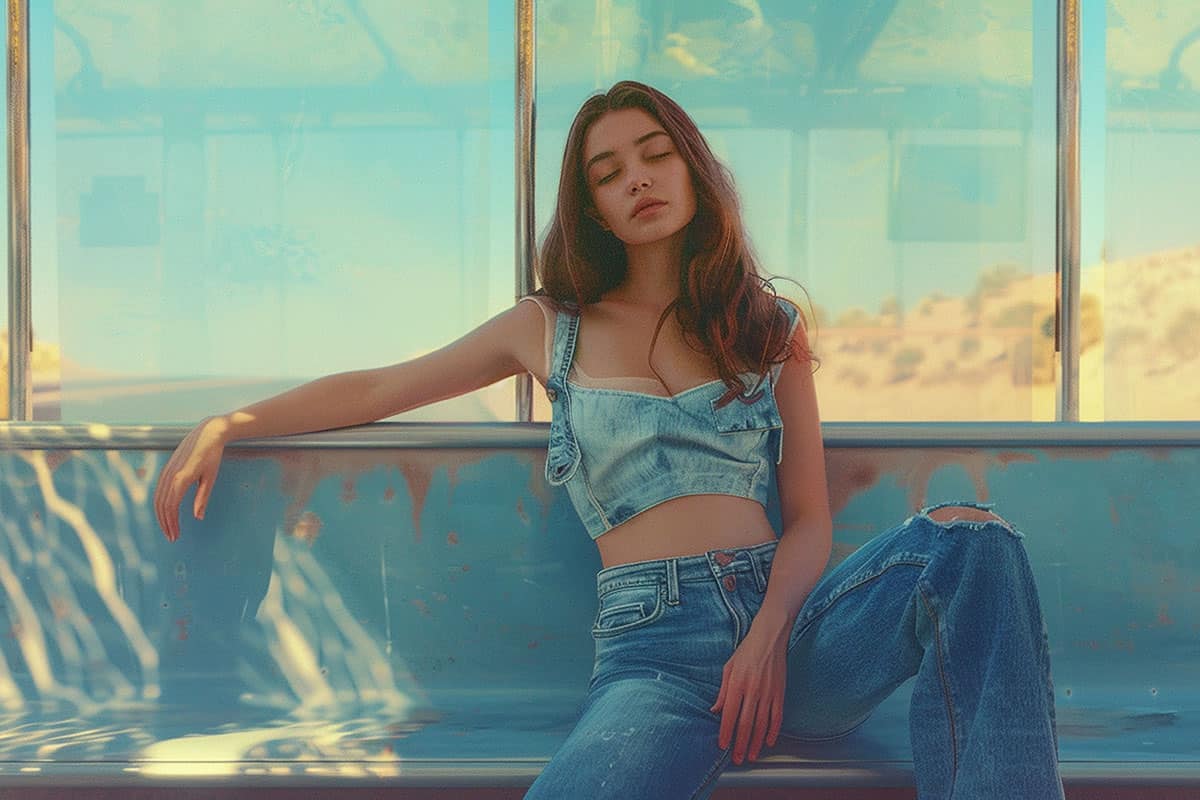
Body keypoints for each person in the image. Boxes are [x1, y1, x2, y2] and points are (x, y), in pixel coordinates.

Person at [154, 80, 1065, 799]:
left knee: (972, 543)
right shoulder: (547, 326)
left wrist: (768, 638)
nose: (637, 178)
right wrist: (236, 422)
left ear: (692, 171)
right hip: (657, 656)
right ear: (590, 205)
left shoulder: (766, 326)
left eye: (655, 155)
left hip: (792, 638)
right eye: (607, 171)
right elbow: (385, 387)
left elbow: (809, 522)